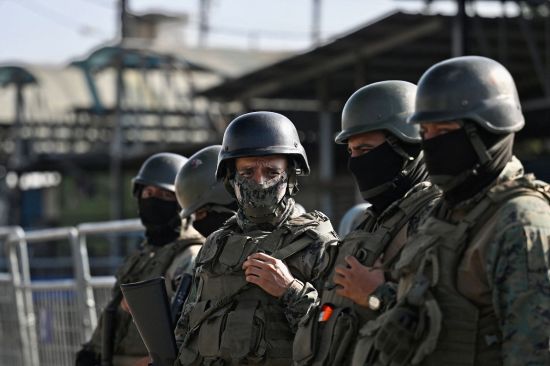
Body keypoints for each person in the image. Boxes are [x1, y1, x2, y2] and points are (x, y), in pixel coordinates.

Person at [354, 56, 550, 366]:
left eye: (443, 131)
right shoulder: (445, 213)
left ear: (488, 131)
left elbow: (534, 352)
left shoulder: (521, 223)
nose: (430, 144)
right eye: (425, 132)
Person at [292, 81, 440, 366]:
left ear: (408, 147)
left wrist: (376, 294)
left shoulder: (434, 217)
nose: (355, 163)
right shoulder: (368, 221)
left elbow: (443, 330)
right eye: (351, 152)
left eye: (366, 149)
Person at [174, 111, 339, 366]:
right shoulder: (215, 245)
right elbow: (187, 329)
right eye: (248, 172)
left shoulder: (316, 242)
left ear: (291, 176)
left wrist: (290, 291)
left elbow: (334, 324)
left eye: (272, 172)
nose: (260, 182)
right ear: (231, 179)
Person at [75, 153, 205, 366]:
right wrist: (92, 351)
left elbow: (188, 338)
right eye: (148, 193)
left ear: (184, 201)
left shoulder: (190, 256)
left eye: (165, 196)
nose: (153, 200)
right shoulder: (145, 254)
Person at [174, 145, 237, 239]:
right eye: (195, 215)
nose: (197, 221)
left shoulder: (260, 244)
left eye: (200, 212)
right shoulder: (211, 250)